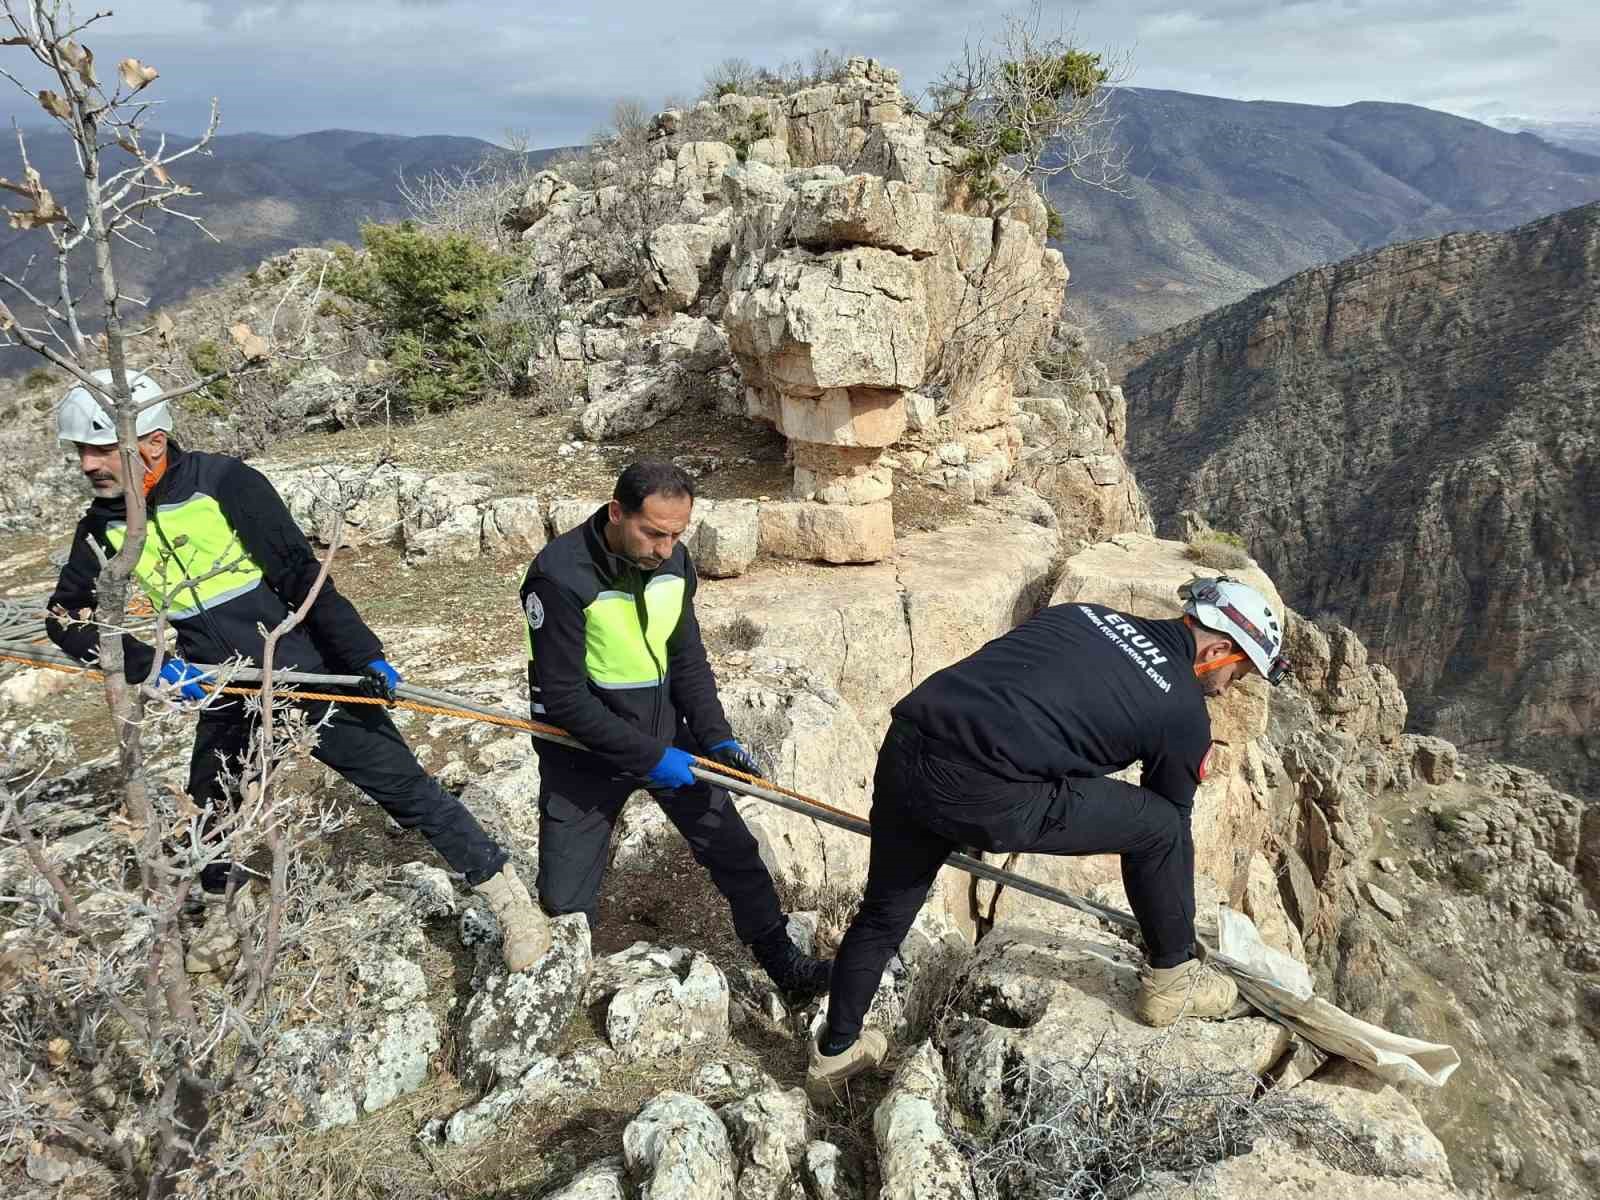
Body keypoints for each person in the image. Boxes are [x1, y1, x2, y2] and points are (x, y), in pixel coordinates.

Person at [46, 370, 549, 975]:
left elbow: (301, 577)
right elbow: (63, 618)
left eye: (99, 448)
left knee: (403, 787)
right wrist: (150, 666)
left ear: (149, 439)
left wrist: (362, 656)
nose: (85, 465)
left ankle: (509, 900)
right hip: (222, 685)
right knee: (213, 806)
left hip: (304, 670)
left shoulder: (226, 484)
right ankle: (220, 918)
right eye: (80, 451)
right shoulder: (102, 527)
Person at [804, 576, 1291, 1103]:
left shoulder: (1082, 615)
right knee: (1161, 827)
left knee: (883, 912)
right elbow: (1167, 822)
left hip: (909, 744)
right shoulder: (1182, 714)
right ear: (1218, 649)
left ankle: (835, 1055)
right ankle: (1172, 980)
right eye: (1238, 671)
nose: (1231, 686)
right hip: (981, 791)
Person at [520, 461, 829, 997]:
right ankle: (566, 989)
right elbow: (565, 699)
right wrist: (649, 756)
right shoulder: (558, 576)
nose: (664, 549)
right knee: (565, 900)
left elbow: (686, 659)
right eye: (653, 533)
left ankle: (785, 966)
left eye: (676, 535)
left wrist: (716, 737)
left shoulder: (674, 564)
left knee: (735, 849)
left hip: (668, 739)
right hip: (582, 754)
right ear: (617, 513)